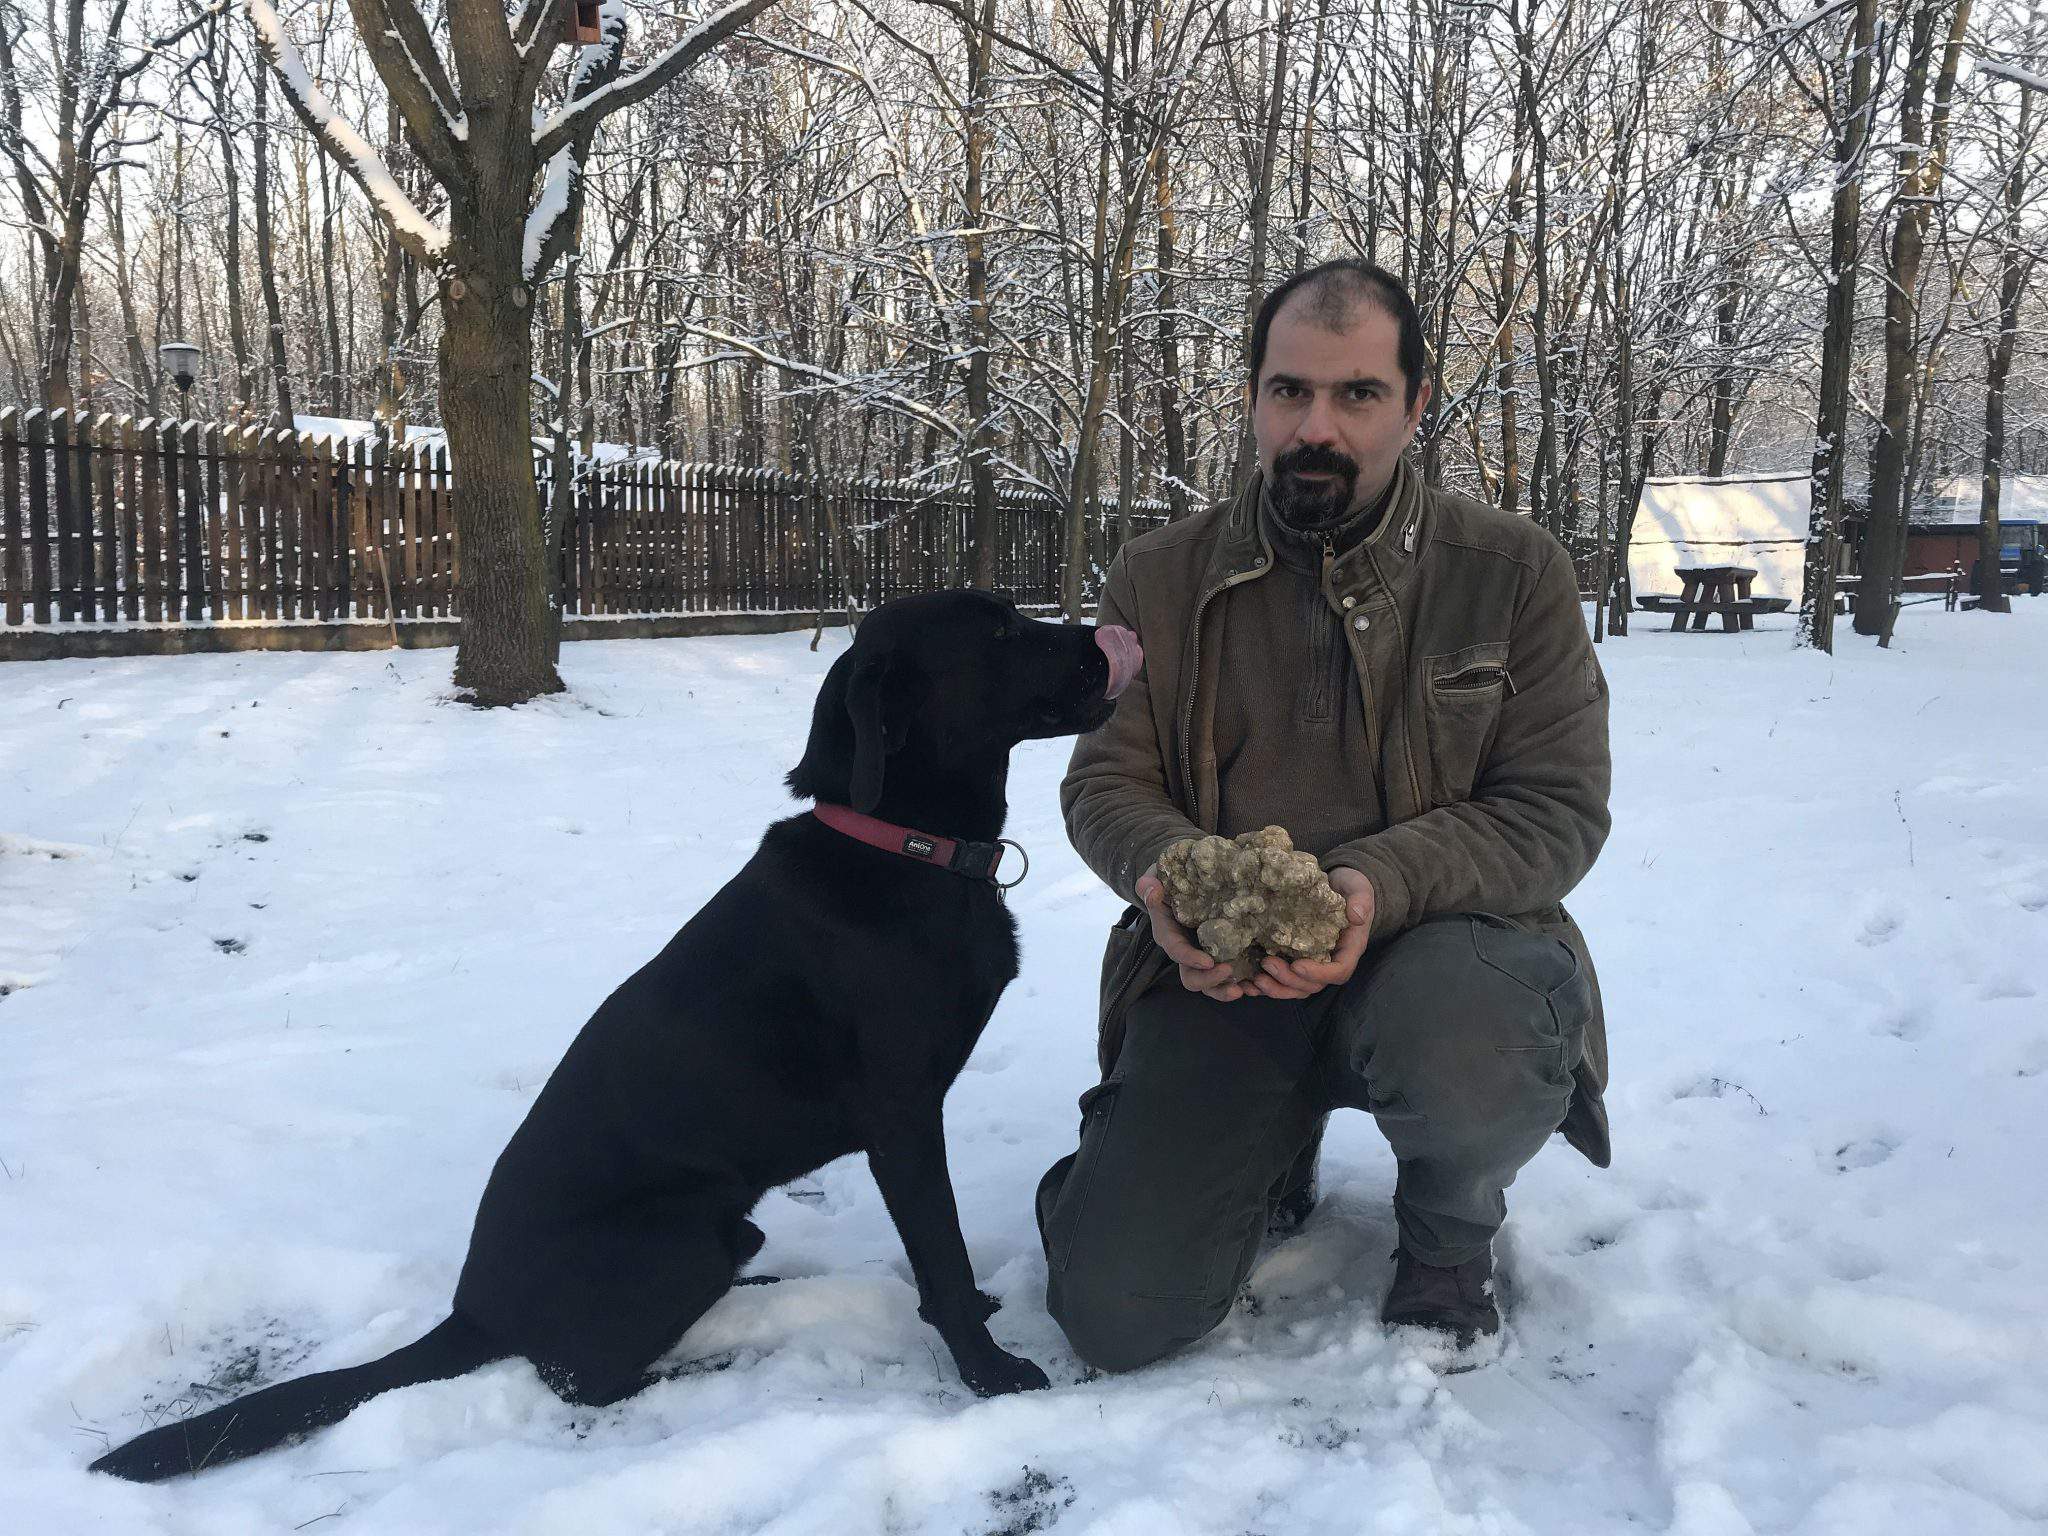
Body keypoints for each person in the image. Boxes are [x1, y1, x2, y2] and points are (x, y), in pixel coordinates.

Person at [1036, 259, 1612, 1372]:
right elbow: (1105, 783)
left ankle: (1446, 1235)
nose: (1316, 427)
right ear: (1252, 394)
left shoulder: (1511, 574)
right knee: (1116, 1313)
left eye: (1357, 395)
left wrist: (1372, 886)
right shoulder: (1158, 576)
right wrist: (1169, 880)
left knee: (1476, 1022)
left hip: (1440, 962)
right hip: (1222, 975)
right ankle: (1238, 1152)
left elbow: (1555, 810)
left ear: (1415, 402)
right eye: (1289, 391)